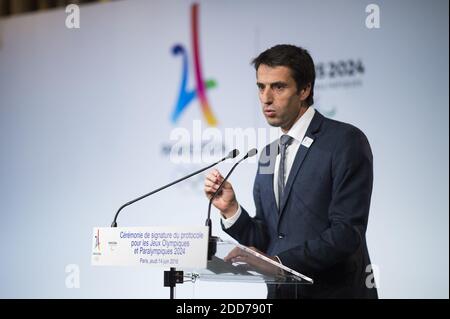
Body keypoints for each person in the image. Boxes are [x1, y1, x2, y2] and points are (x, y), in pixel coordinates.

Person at [204, 44, 378, 299]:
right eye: (261, 87)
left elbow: (346, 233)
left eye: (278, 86)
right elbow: (270, 237)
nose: (266, 98)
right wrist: (231, 210)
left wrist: (278, 263)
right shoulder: (268, 154)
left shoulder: (345, 141)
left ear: (305, 89)